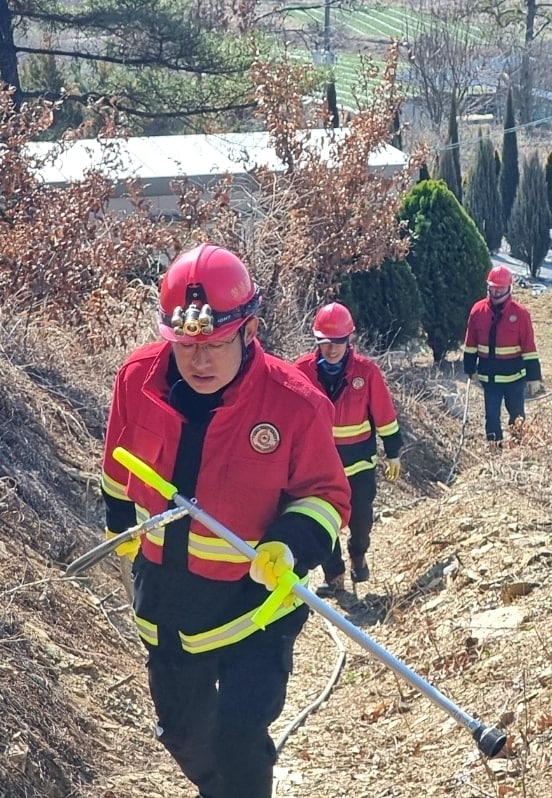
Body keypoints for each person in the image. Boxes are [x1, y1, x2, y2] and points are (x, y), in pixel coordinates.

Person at [101, 243, 350, 798]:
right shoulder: (136, 381)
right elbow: (117, 470)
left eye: (214, 344)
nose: (200, 361)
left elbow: (327, 497)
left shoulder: (295, 404)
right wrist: (120, 533)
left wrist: (289, 546)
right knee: (182, 733)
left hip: (255, 606)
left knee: (239, 737)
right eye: (187, 345)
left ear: (249, 330)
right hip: (168, 602)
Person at [293, 301, 403, 595]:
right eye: (325, 342)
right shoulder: (301, 370)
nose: (331, 349)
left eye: (338, 342)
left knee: (361, 520)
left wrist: (393, 452)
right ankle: (334, 574)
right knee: (323, 521)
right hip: (319, 467)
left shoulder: (366, 372)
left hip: (359, 465)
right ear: (317, 340)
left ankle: (358, 553)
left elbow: (384, 414)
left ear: (348, 339)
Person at [462, 264, 544, 442]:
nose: (497, 292)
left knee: (517, 416)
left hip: (514, 379)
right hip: (489, 379)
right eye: (494, 288)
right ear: (488, 287)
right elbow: (471, 343)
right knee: (491, 417)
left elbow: (529, 348)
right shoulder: (478, 311)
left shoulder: (520, 314)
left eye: (501, 288)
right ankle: (494, 449)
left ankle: (519, 447)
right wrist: (470, 369)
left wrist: (534, 377)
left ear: (509, 288)